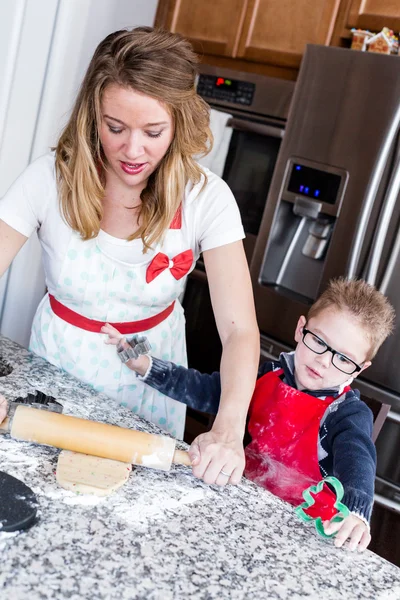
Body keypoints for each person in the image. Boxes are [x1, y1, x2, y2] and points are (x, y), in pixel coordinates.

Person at [0, 27, 259, 485]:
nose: (132, 150)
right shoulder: (49, 179)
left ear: (179, 123)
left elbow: (239, 330)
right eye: (114, 127)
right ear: (91, 116)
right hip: (58, 367)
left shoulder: (206, 197)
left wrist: (228, 428)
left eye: (153, 131)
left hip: (153, 384)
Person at [102, 278, 395, 551]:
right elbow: (208, 390)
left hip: (301, 531)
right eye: (318, 341)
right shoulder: (266, 377)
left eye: (343, 359)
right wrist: (149, 367)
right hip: (241, 501)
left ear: (359, 369)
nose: (323, 360)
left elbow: (358, 460)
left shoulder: (347, 414)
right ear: (300, 328)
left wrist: (357, 512)